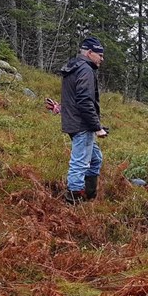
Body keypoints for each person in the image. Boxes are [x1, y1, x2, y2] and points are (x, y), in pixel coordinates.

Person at [59, 36, 108, 204]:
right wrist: (97, 127)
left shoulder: (73, 68)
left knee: (95, 159)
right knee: (80, 163)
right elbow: (85, 101)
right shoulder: (85, 70)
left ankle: (90, 196)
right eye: (100, 55)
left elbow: (71, 99)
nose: (102, 59)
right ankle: (73, 203)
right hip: (82, 125)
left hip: (74, 123)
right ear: (89, 53)